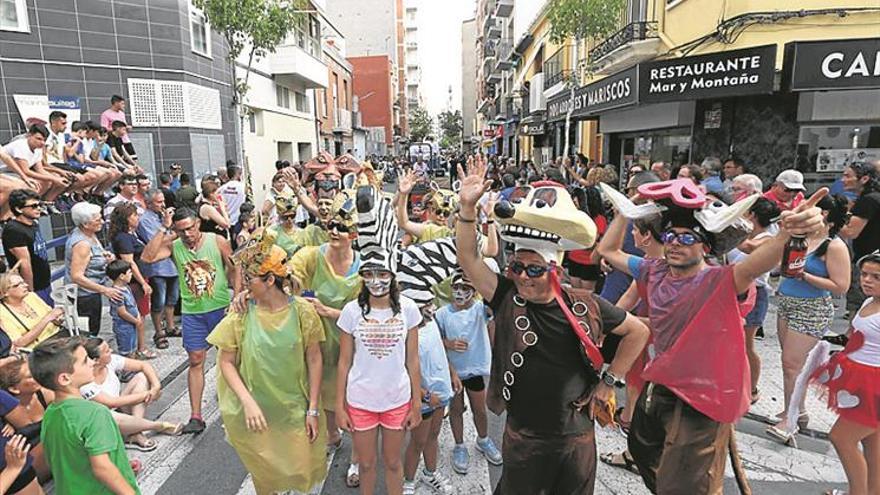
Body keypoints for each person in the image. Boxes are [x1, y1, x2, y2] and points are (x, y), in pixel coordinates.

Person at [597, 177, 828, 493]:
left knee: (687, 478)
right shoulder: (654, 269)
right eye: (670, 236)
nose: (676, 243)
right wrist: (627, 211)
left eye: (688, 237)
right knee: (642, 447)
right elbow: (606, 249)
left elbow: (762, 259)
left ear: (705, 246)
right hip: (664, 382)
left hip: (705, 396)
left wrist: (790, 233)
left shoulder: (721, 281)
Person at [456, 157, 649, 494]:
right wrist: (467, 208)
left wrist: (609, 382)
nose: (523, 277)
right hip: (523, 436)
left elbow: (638, 332)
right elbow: (468, 259)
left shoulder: (584, 303)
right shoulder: (506, 296)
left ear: (555, 272)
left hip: (575, 438)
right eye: (516, 267)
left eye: (533, 269)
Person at [208, 235, 327, 495]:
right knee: (265, 474)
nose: (243, 286)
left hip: (295, 408)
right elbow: (226, 362)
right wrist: (247, 402)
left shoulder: (302, 312)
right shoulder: (240, 315)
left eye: (249, 280)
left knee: (300, 471)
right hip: (257, 413)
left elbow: (315, 358)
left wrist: (313, 409)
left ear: (270, 280)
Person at [141, 208, 239, 434]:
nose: (187, 234)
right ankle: (196, 415)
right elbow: (147, 258)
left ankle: (241, 403)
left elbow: (235, 267)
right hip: (193, 312)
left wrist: (237, 297)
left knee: (232, 358)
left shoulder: (217, 241)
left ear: (197, 224)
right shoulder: (173, 245)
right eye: (181, 230)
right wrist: (164, 229)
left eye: (190, 228)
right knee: (196, 360)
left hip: (220, 307)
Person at [288, 193, 361, 485]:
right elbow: (290, 270)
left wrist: (329, 311)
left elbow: (368, 311)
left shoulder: (364, 265)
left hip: (352, 344)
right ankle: (332, 435)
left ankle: (357, 459)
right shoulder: (313, 254)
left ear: (354, 233)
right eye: (331, 225)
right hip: (318, 344)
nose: (334, 231)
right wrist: (287, 278)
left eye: (341, 228)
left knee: (354, 399)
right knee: (326, 391)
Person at [335, 255, 423, 495]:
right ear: (362, 276)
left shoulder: (409, 309)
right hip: (360, 401)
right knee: (366, 464)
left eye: (383, 274)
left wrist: (416, 404)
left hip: (397, 399)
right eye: (369, 274)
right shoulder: (351, 311)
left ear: (393, 275)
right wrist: (339, 407)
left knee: (394, 463)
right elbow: (344, 362)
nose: (376, 281)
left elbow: (413, 360)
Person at [767, 195, 851, 443]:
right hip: (787, 302)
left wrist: (805, 276)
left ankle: (790, 419)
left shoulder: (833, 246)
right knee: (789, 364)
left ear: (823, 215)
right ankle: (794, 409)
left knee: (792, 363)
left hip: (812, 307)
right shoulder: (800, 240)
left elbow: (840, 286)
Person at [30, 337, 139, 495]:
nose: (92, 362)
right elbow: (102, 468)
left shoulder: (51, 413)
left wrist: (121, 465)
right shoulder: (95, 413)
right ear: (65, 378)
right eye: (84, 360)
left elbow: (71, 457)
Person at [813, 251, 880, 495]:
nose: (867, 280)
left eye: (876, 277)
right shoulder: (868, 302)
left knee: (841, 438)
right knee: (871, 442)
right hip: (860, 381)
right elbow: (857, 337)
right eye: (864, 274)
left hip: (874, 386)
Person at [434, 273, 501, 475]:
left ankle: (483, 439)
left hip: (474, 370)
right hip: (453, 371)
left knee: (479, 409)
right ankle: (460, 445)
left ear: (474, 292)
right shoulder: (442, 313)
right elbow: (435, 340)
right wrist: (449, 343)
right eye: (456, 288)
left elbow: (494, 303)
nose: (460, 293)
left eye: (466, 289)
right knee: (455, 409)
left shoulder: (480, 310)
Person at [80, 338, 181, 451]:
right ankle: (157, 426)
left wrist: (156, 387)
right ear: (95, 360)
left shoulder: (110, 361)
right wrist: (147, 394)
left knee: (141, 377)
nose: (112, 351)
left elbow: (143, 365)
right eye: (107, 351)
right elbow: (110, 402)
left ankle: (135, 432)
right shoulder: (84, 381)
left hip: (118, 407)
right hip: (102, 417)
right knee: (108, 414)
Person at [726, 198, 780, 405]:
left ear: (753, 215)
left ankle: (753, 387)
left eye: (745, 211)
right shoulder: (747, 234)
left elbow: (748, 247)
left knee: (747, 345)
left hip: (755, 294)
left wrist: (726, 225)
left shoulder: (769, 238)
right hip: (732, 290)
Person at [402, 304, 456, 495]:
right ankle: (408, 482)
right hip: (423, 400)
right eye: (424, 304)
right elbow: (401, 371)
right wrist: (424, 395)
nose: (430, 308)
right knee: (418, 442)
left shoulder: (432, 322)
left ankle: (430, 473)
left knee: (433, 437)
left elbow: (440, 352)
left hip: (440, 394)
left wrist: (452, 374)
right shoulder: (405, 332)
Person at [64, 202, 125, 337]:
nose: (102, 222)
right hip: (84, 295)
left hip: (92, 291)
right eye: (98, 220)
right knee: (88, 332)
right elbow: (77, 276)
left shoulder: (89, 234)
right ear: (85, 224)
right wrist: (105, 290)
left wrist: (106, 257)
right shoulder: (82, 244)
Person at [108, 204, 155, 351]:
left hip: (141, 276)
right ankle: (141, 348)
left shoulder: (132, 234)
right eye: (134, 215)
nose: (137, 218)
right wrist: (143, 283)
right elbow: (130, 263)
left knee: (141, 314)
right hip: (134, 281)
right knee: (138, 314)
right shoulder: (123, 238)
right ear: (126, 219)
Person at [137, 190, 180, 343]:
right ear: (148, 204)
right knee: (158, 301)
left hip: (172, 264)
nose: (163, 205)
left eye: (163, 201)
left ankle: (170, 326)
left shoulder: (162, 216)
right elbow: (155, 242)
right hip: (157, 267)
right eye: (159, 202)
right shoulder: (145, 220)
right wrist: (174, 232)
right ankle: (159, 332)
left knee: (172, 298)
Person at [840, 162, 880, 315]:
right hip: (871, 255)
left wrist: (829, 221)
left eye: (848, 176)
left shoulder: (868, 200)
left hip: (867, 257)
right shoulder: (871, 198)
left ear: (864, 179)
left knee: (860, 300)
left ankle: (854, 334)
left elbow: (851, 232)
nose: (843, 179)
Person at [3, 190, 52, 305]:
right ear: (19, 209)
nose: (39, 208)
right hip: (34, 288)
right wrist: (29, 292)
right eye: (34, 206)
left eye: (40, 205)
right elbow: (24, 264)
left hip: (45, 283)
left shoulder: (33, 224)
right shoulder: (14, 230)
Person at [0, 272, 61, 350]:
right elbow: (18, 343)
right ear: (5, 292)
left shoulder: (31, 296)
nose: (26, 285)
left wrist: (59, 318)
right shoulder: (2, 313)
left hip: (58, 335)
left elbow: (54, 318)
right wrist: (47, 319)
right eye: (18, 285)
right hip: (39, 348)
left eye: (23, 282)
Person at [104, 260, 150, 359]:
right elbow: (122, 312)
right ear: (121, 276)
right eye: (129, 272)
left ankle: (132, 366)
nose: (131, 275)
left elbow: (133, 304)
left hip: (132, 324)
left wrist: (137, 316)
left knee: (132, 347)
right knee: (127, 351)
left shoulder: (127, 288)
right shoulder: (116, 293)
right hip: (123, 326)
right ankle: (127, 370)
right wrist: (136, 321)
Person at [100, 96, 137, 163]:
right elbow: (104, 129)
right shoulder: (105, 114)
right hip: (114, 141)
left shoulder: (122, 114)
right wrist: (116, 130)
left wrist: (126, 128)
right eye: (122, 103)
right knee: (120, 160)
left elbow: (123, 125)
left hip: (125, 139)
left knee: (133, 159)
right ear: (116, 103)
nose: (124, 106)